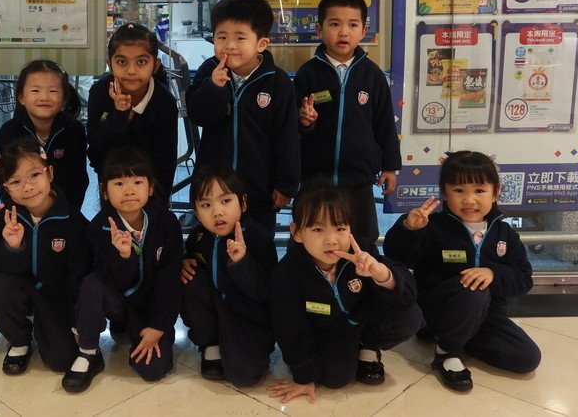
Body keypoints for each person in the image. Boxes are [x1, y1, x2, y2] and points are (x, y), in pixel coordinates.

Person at [384, 151, 541, 392]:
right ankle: (447, 352)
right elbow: (397, 258)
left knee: (527, 358)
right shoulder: (433, 226)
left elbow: (523, 279)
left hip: (484, 315)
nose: (469, 200)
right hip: (436, 307)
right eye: (459, 190)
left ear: (495, 192)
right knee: (473, 289)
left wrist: (493, 274)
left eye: (479, 190)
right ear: (444, 193)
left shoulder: (505, 234)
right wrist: (409, 230)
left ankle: (455, 336)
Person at [269, 185, 421, 404]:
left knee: (410, 316)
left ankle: (367, 346)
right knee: (336, 379)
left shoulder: (362, 251)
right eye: (318, 230)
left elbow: (409, 292)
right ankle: (346, 353)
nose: (331, 240)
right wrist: (304, 375)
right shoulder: (287, 274)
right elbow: (290, 330)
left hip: (362, 322)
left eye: (340, 228)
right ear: (297, 232)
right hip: (326, 334)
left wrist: (382, 275)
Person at [63, 147, 183, 393]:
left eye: (137, 182)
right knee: (93, 284)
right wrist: (124, 256)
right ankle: (88, 352)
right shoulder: (98, 228)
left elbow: (170, 277)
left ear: (150, 187)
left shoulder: (166, 222)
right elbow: (99, 278)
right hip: (117, 299)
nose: (129, 190)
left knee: (152, 369)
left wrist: (159, 325)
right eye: (119, 183)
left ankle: (134, 330)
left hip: (150, 306)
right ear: (104, 191)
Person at [0, 136, 90, 376]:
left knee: (61, 360)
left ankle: (46, 328)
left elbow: (79, 275)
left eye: (34, 175)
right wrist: (6, 244)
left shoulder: (72, 219)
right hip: (21, 287)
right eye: (16, 181)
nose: (27, 187)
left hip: (56, 296)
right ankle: (19, 341)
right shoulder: (5, 218)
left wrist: (78, 323)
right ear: (6, 188)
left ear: (50, 173)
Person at [186, 0, 300, 234]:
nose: (229, 45)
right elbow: (198, 115)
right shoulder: (208, 71)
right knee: (213, 244)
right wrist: (214, 88)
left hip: (259, 189)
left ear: (261, 44)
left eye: (240, 37)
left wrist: (286, 184)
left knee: (258, 245)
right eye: (222, 37)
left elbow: (287, 137)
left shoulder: (278, 82)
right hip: (214, 189)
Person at [293, 0, 400, 245]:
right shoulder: (308, 73)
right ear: (319, 30)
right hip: (315, 177)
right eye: (334, 24)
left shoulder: (372, 75)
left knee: (361, 238)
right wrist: (304, 121)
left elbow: (385, 124)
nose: (343, 32)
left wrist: (390, 166)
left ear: (364, 31)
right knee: (311, 234)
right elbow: (293, 124)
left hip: (358, 178)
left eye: (352, 25)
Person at [180, 164, 276, 386]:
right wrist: (184, 262)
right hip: (215, 311)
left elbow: (265, 292)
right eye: (206, 205)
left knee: (245, 376)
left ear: (243, 202)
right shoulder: (198, 236)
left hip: (249, 316)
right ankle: (210, 343)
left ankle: (244, 348)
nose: (217, 212)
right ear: (196, 213)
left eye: (225, 201)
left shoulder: (259, 238)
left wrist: (242, 262)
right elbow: (193, 270)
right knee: (188, 277)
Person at [87, 22, 178, 205]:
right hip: (111, 185)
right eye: (122, 62)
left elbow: (166, 162)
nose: (131, 71)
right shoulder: (100, 92)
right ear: (110, 64)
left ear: (155, 65)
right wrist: (119, 115)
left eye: (141, 62)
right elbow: (96, 147)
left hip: (151, 189)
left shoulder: (164, 102)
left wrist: (159, 207)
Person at [0, 59, 89, 209]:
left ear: (64, 98)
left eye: (53, 91)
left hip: (63, 210)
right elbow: (3, 177)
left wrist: (66, 212)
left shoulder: (74, 130)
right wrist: (17, 212)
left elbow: (78, 180)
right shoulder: (9, 131)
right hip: (21, 211)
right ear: (21, 97)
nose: (44, 97)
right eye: (35, 91)